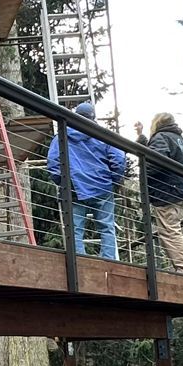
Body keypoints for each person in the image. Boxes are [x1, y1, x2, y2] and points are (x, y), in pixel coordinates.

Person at [44, 101, 128, 260]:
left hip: (74, 187)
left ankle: (79, 264)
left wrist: (64, 183)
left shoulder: (63, 135)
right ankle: (110, 261)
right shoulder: (103, 134)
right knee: (106, 227)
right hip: (102, 186)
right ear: (93, 117)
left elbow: (53, 162)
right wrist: (113, 180)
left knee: (74, 229)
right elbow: (118, 158)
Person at [136, 112, 183, 273]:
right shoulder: (177, 138)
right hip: (178, 189)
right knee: (169, 230)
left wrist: (142, 173)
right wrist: (142, 138)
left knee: (169, 231)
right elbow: (157, 153)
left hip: (166, 191)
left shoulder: (161, 136)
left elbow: (155, 160)